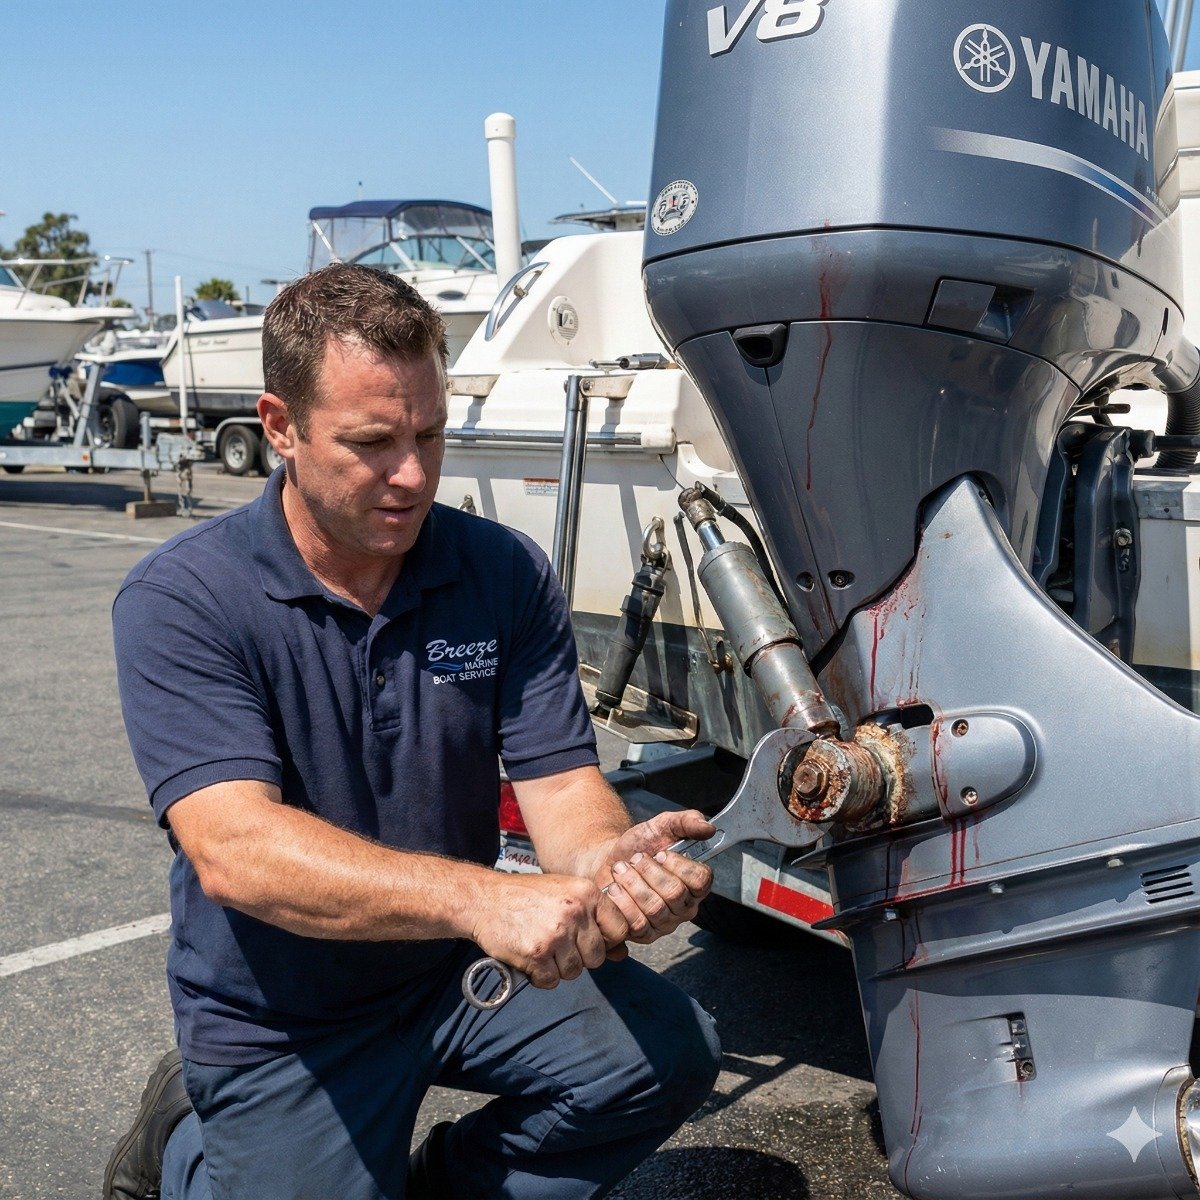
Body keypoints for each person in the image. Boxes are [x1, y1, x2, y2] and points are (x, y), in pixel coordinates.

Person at [106, 262, 722, 1200]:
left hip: (450, 973)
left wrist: (609, 866)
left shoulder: (500, 571)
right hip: (284, 1021)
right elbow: (235, 849)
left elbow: (560, 785)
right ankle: (187, 1141)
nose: (412, 474)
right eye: (371, 442)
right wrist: (484, 901)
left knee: (667, 1053)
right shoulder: (186, 599)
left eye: (431, 435)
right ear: (280, 427)